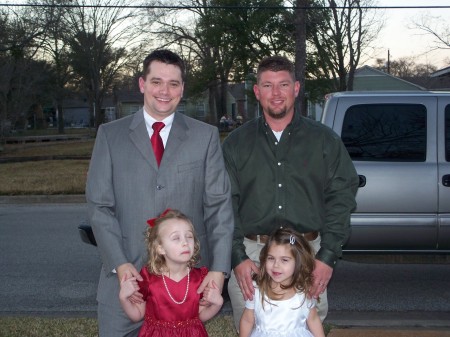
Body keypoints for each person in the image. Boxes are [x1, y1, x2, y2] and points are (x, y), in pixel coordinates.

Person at [86, 49, 234, 337]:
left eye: (174, 84)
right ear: (142, 84)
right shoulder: (110, 135)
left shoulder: (205, 136)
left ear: (183, 89)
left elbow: (219, 207)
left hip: (185, 289)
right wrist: (120, 263)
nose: (164, 91)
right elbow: (99, 207)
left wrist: (219, 270)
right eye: (156, 82)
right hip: (126, 282)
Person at [222, 55, 359, 330]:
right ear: (257, 91)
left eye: (283, 85)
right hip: (252, 252)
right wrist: (237, 257)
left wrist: (327, 257)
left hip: (308, 252)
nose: (276, 94)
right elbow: (224, 204)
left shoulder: (324, 141)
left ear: (296, 89)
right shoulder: (235, 144)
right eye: (268, 85)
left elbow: (341, 199)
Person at [119, 209, 224, 337]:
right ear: (160, 248)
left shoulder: (200, 278)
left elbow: (200, 316)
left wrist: (217, 304)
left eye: (189, 236)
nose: (185, 242)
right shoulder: (148, 277)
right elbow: (137, 315)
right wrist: (124, 298)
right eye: (176, 238)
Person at [239, 227, 325, 337]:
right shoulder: (257, 290)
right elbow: (247, 320)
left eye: (284, 260)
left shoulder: (303, 291)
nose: (276, 265)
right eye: (271, 258)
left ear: (298, 262)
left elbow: (313, 320)